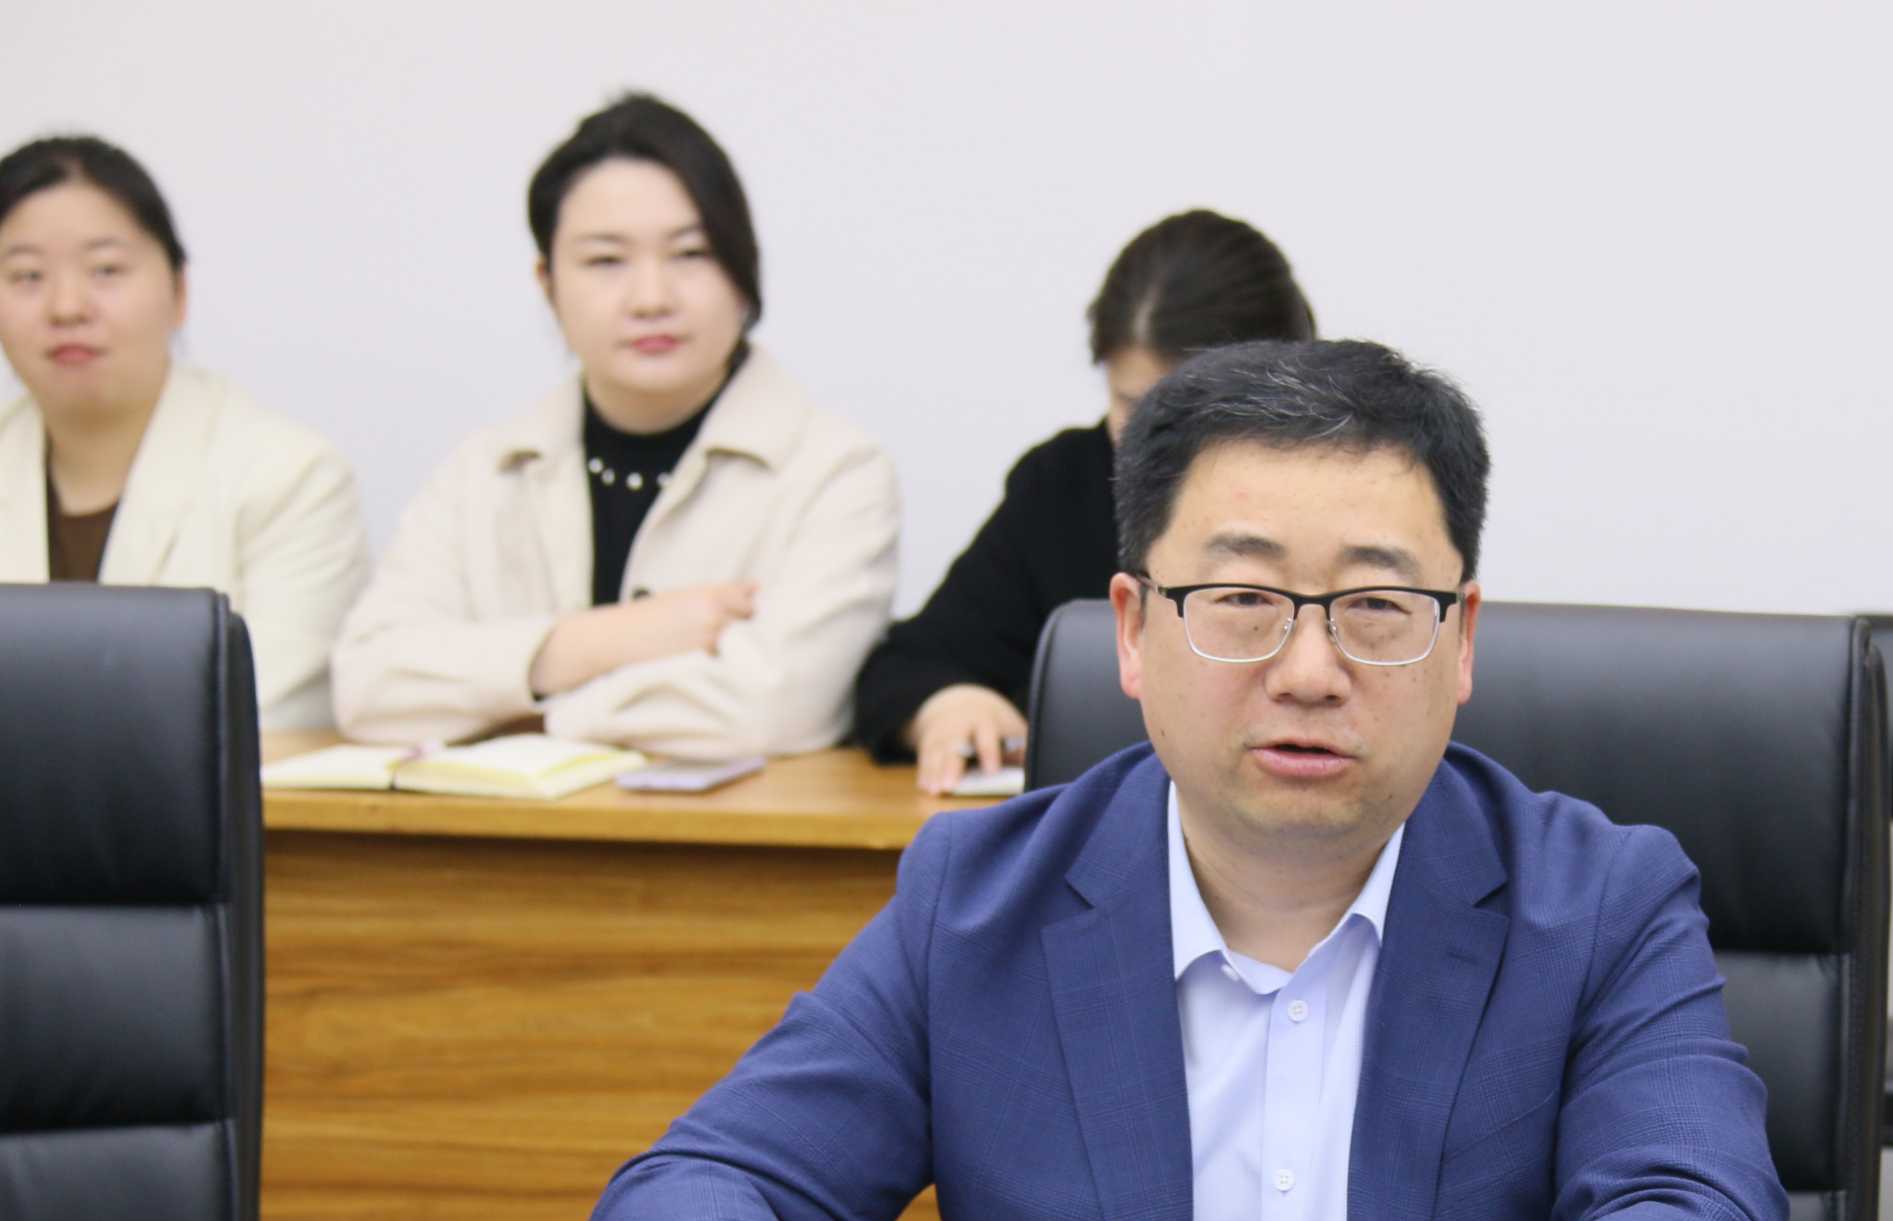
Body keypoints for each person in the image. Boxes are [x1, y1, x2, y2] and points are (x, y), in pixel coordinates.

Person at [587, 338, 1788, 1221]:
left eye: (1375, 606)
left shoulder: (1596, 899)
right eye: (1241, 598)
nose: (1307, 671)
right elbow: (692, 1185)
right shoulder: (980, 902)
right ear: (1130, 628)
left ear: (1459, 639)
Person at [332, 94, 897, 759]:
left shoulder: (835, 472)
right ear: (547, 284)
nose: (651, 298)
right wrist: (606, 640)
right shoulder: (483, 470)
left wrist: (516, 703)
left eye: (691, 253)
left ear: (744, 272)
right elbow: (368, 685)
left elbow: (773, 709)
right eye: (606, 261)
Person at [852, 209, 1315, 792]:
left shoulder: (1360, 493)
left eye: (1196, 413)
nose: (1160, 443)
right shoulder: (1063, 486)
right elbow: (907, 665)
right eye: (1133, 407)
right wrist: (946, 703)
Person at [0, 134, 368, 729]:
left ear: (178, 291)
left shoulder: (291, 478)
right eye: (26, 276)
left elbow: (260, 716)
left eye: (105, 270)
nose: (67, 306)